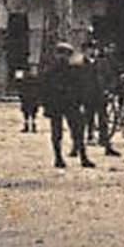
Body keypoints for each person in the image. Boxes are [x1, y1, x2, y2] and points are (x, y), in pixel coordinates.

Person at [41, 41, 93, 169]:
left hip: (71, 104)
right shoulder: (50, 71)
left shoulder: (74, 70)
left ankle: (83, 157)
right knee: (57, 133)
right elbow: (44, 89)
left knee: (78, 131)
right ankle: (58, 157)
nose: (63, 57)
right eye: (60, 53)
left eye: (66, 54)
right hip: (56, 104)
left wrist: (81, 101)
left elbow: (81, 87)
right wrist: (46, 106)